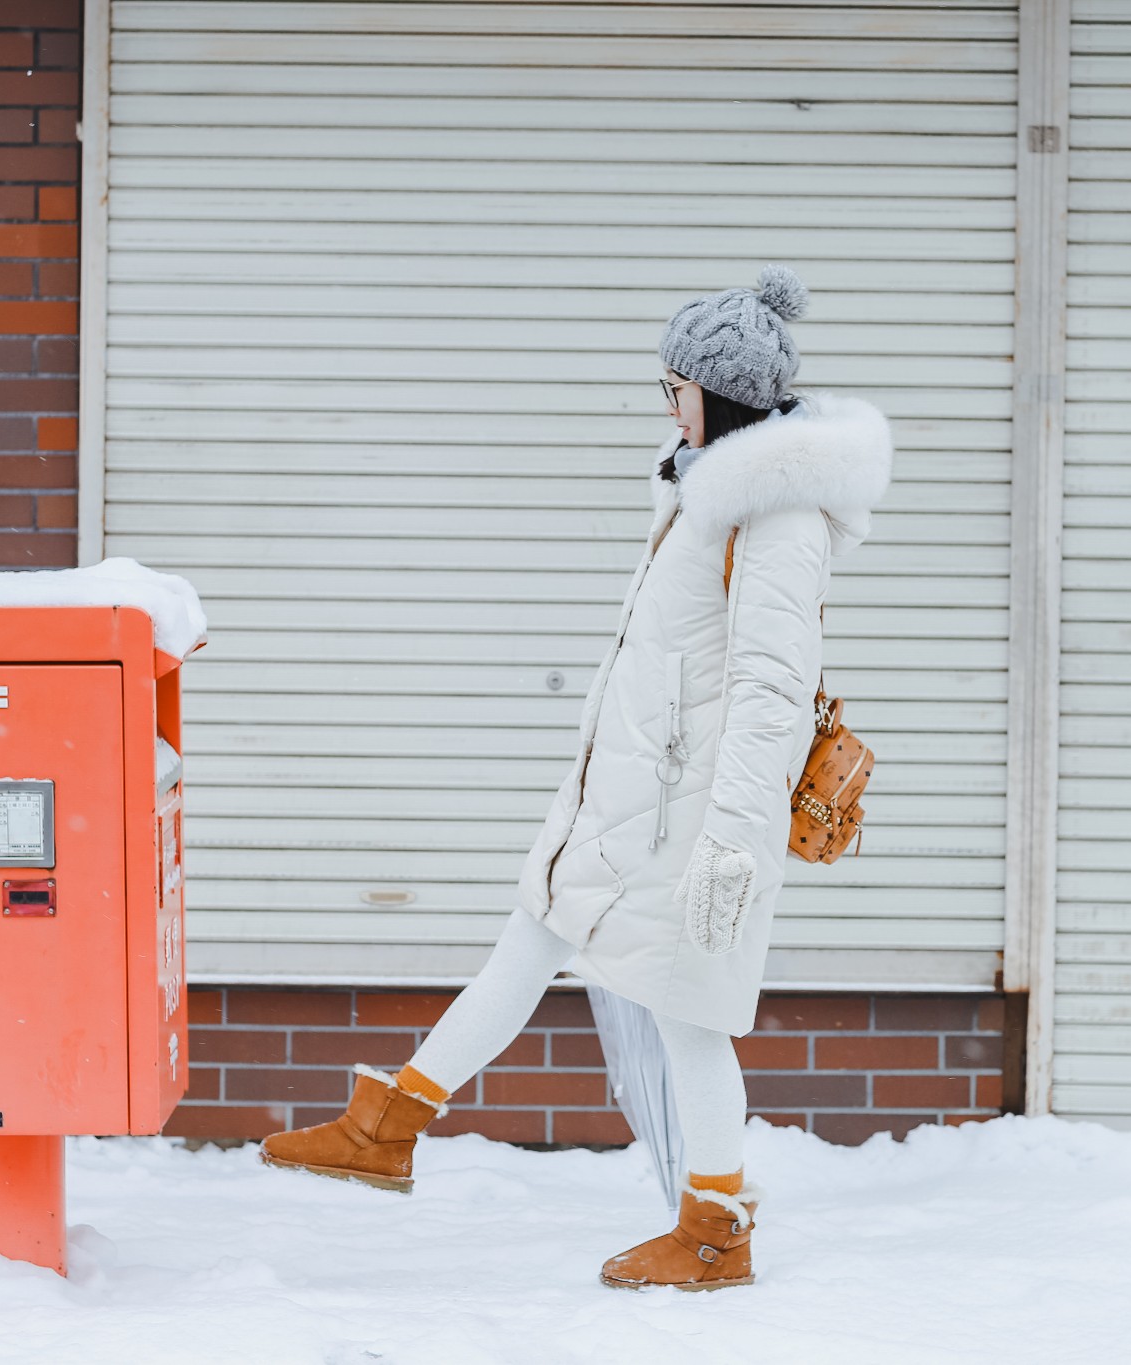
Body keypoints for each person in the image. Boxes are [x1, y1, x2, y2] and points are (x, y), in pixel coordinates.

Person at [258, 265, 894, 1291]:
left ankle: (712, 1233)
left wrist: (731, 840)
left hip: (690, 827)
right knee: (527, 942)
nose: (666, 403)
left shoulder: (776, 518)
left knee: (689, 1017)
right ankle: (387, 1126)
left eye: (675, 386)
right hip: (626, 805)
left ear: (720, 390)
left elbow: (773, 687)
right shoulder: (704, 491)